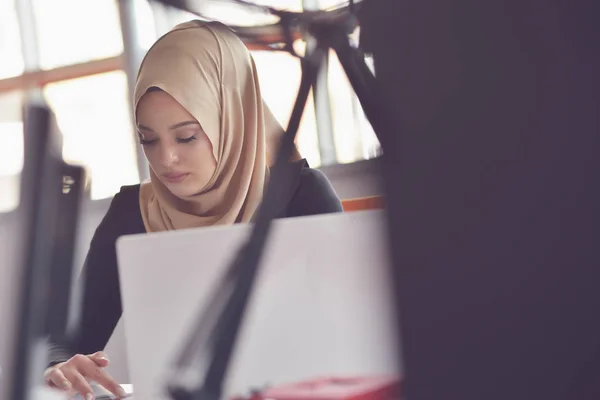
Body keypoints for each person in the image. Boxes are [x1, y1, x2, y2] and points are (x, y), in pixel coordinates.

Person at [43, 20, 342, 399]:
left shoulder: (302, 197)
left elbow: (351, 332)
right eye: (148, 140)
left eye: (186, 136)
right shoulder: (132, 212)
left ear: (232, 119)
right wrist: (58, 366)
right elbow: (64, 341)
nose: (166, 159)